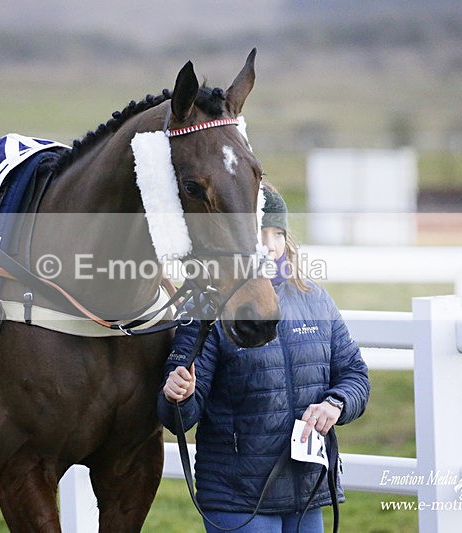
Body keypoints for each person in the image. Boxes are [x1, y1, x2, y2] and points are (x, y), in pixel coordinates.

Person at [158, 183, 370, 533]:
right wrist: (176, 395)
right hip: (238, 501)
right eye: (259, 233)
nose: (271, 246)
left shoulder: (315, 299)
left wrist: (336, 403)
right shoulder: (206, 307)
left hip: (307, 493)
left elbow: (354, 375)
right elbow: (178, 417)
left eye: (278, 233)